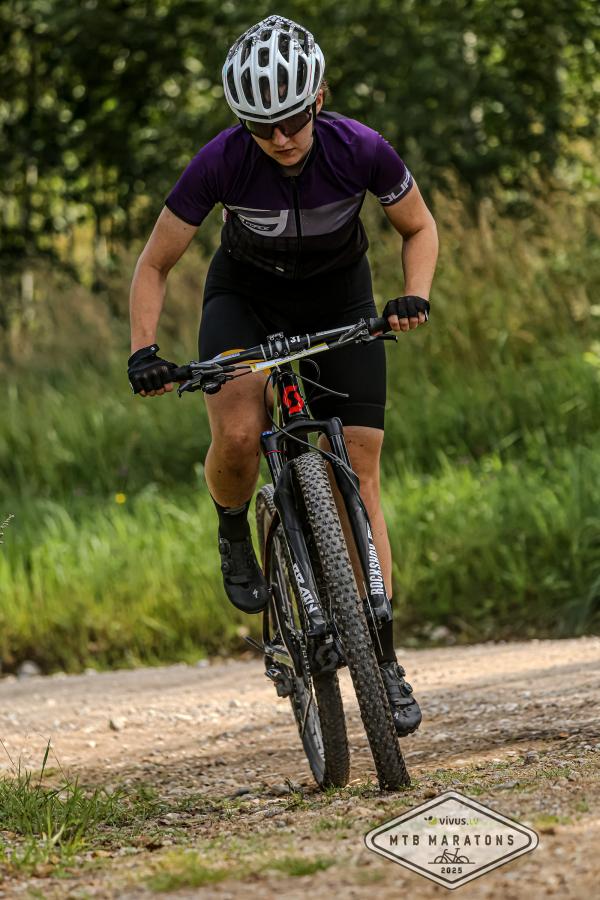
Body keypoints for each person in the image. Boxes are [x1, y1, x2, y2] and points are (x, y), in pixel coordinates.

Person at [127, 15, 438, 737]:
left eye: (293, 120)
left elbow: (418, 227)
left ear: (318, 99)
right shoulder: (221, 161)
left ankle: (383, 657)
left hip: (340, 297)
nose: (281, 138)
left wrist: (414, 295)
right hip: (246, 298)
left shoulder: (361, 149)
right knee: (240, 433)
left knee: (360, 466)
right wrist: (144, 350)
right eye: (261, 127)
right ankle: (233, 526)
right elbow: (155, 263)